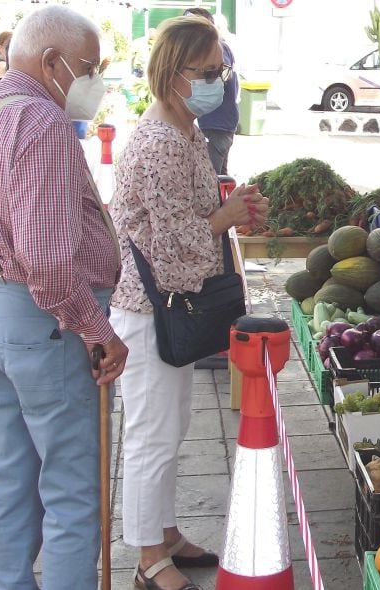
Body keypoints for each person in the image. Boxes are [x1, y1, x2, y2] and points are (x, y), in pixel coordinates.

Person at [0, 6, 127, 589]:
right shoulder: (40, 121)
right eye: (89, 68)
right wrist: (96, 328)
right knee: (72, 489)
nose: (93, 82)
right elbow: (46, 258)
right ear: (52, 62)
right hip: (46, 321)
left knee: (12, 479)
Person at [108, 15, 267, 590]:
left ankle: (165, 532)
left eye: (221, 72)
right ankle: (148, 557)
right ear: (174, 74)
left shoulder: (185, 132)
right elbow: (175, 249)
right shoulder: (159, 143)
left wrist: (232, 206)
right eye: (206, 73)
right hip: (150, 311)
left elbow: (190, 218)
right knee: (151, 434)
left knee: (171, 428)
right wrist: (224, 219)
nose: (218, 84)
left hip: (167, 308)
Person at [183, 7, 239, 174]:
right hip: (217, 123)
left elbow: (226, 73)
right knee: (219, 180)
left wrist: (205, 74)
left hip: (217, 124)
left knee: (211, 178)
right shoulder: (215, 48)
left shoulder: (218, 48)